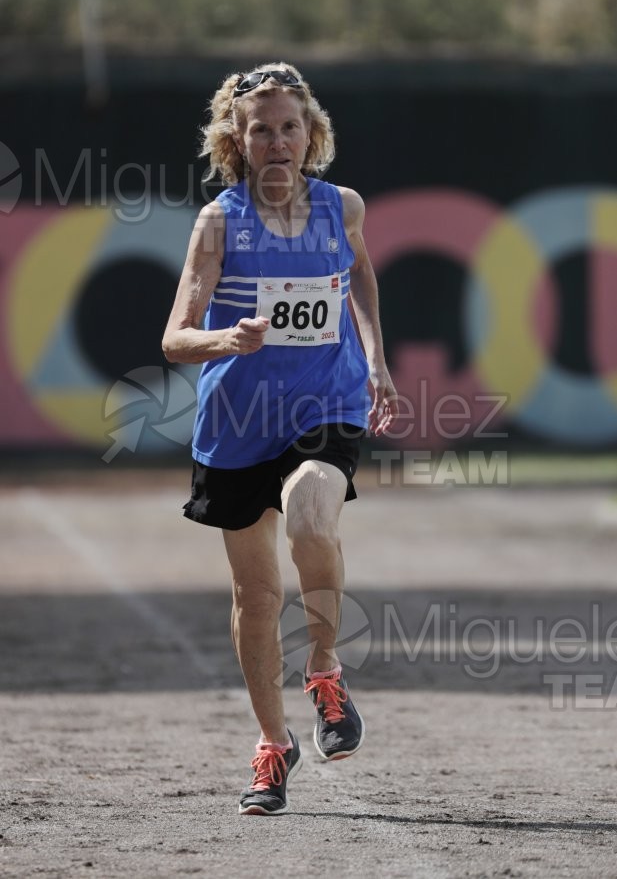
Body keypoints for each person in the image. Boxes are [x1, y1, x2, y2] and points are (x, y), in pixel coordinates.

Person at [162, 62, 398, 816]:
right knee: (256, 596)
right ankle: (272, 744)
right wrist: (227, 338)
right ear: (236, 137)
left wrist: (378, 363)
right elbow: (173, 338)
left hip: (324, 407)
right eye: (259, 128)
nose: (276, 140)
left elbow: (360, 278)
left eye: (289, 126)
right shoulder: (218, 223)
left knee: (309, 516)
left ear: (311, 133)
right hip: (236, 424)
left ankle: (324, 671)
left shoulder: (344, 208)